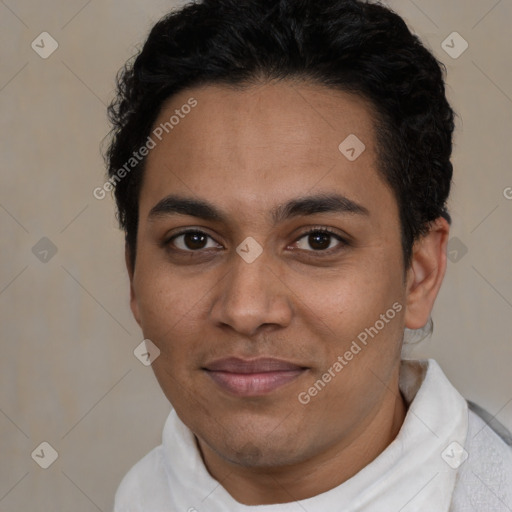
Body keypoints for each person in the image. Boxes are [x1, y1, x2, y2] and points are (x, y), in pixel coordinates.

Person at [103, 0, 512, 510]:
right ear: (134, 276)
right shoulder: (139, 496)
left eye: (319, 240)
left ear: (419, 275)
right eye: (194, 240)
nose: (246, 310)